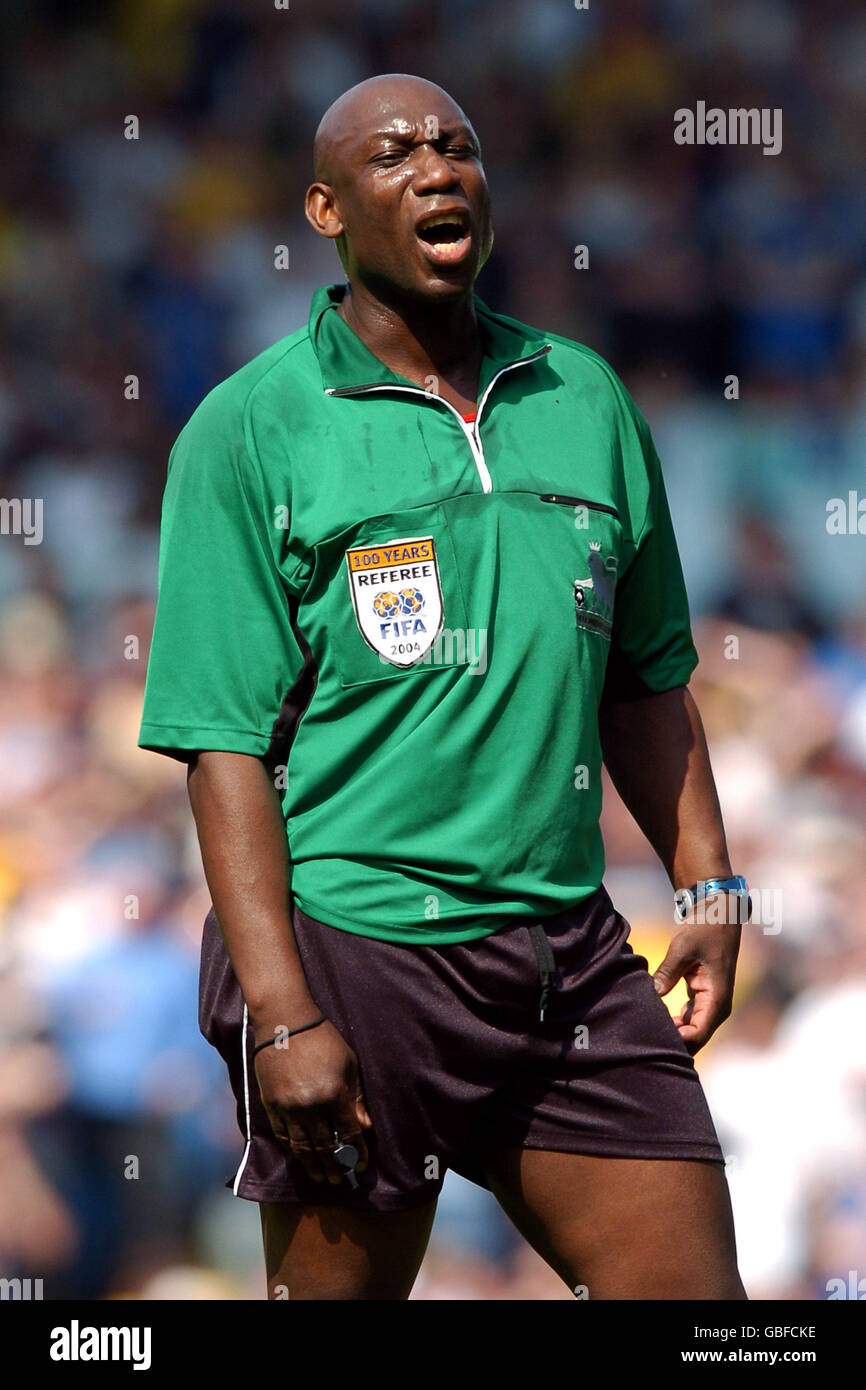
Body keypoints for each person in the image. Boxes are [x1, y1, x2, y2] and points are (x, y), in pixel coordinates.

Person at [139, 73, 749, 1301]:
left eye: (456, 148)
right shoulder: (251, 427)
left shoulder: (585, 396)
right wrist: (283, 1015)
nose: (434, 168)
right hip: (359, 952)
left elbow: (643, 677)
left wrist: (711, 877)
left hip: (568, 951)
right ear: (324, 207)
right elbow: (222, 748)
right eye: (392, 155)